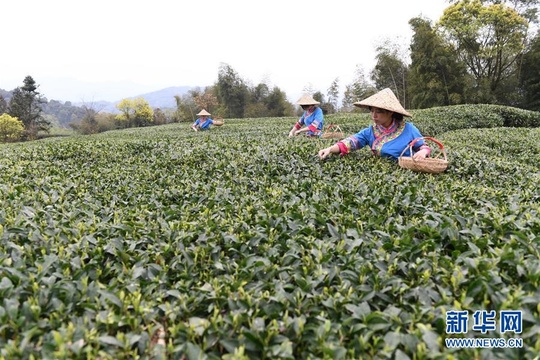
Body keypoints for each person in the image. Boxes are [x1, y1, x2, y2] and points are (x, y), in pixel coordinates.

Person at [318, 88, 431, 160]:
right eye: (372, 111)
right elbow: (350, 143)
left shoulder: (409, 129)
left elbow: (423, 146)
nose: (374, 116)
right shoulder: (370, 132)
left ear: (390, 112)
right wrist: (330, 149)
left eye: (378, 112)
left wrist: (423, 152)